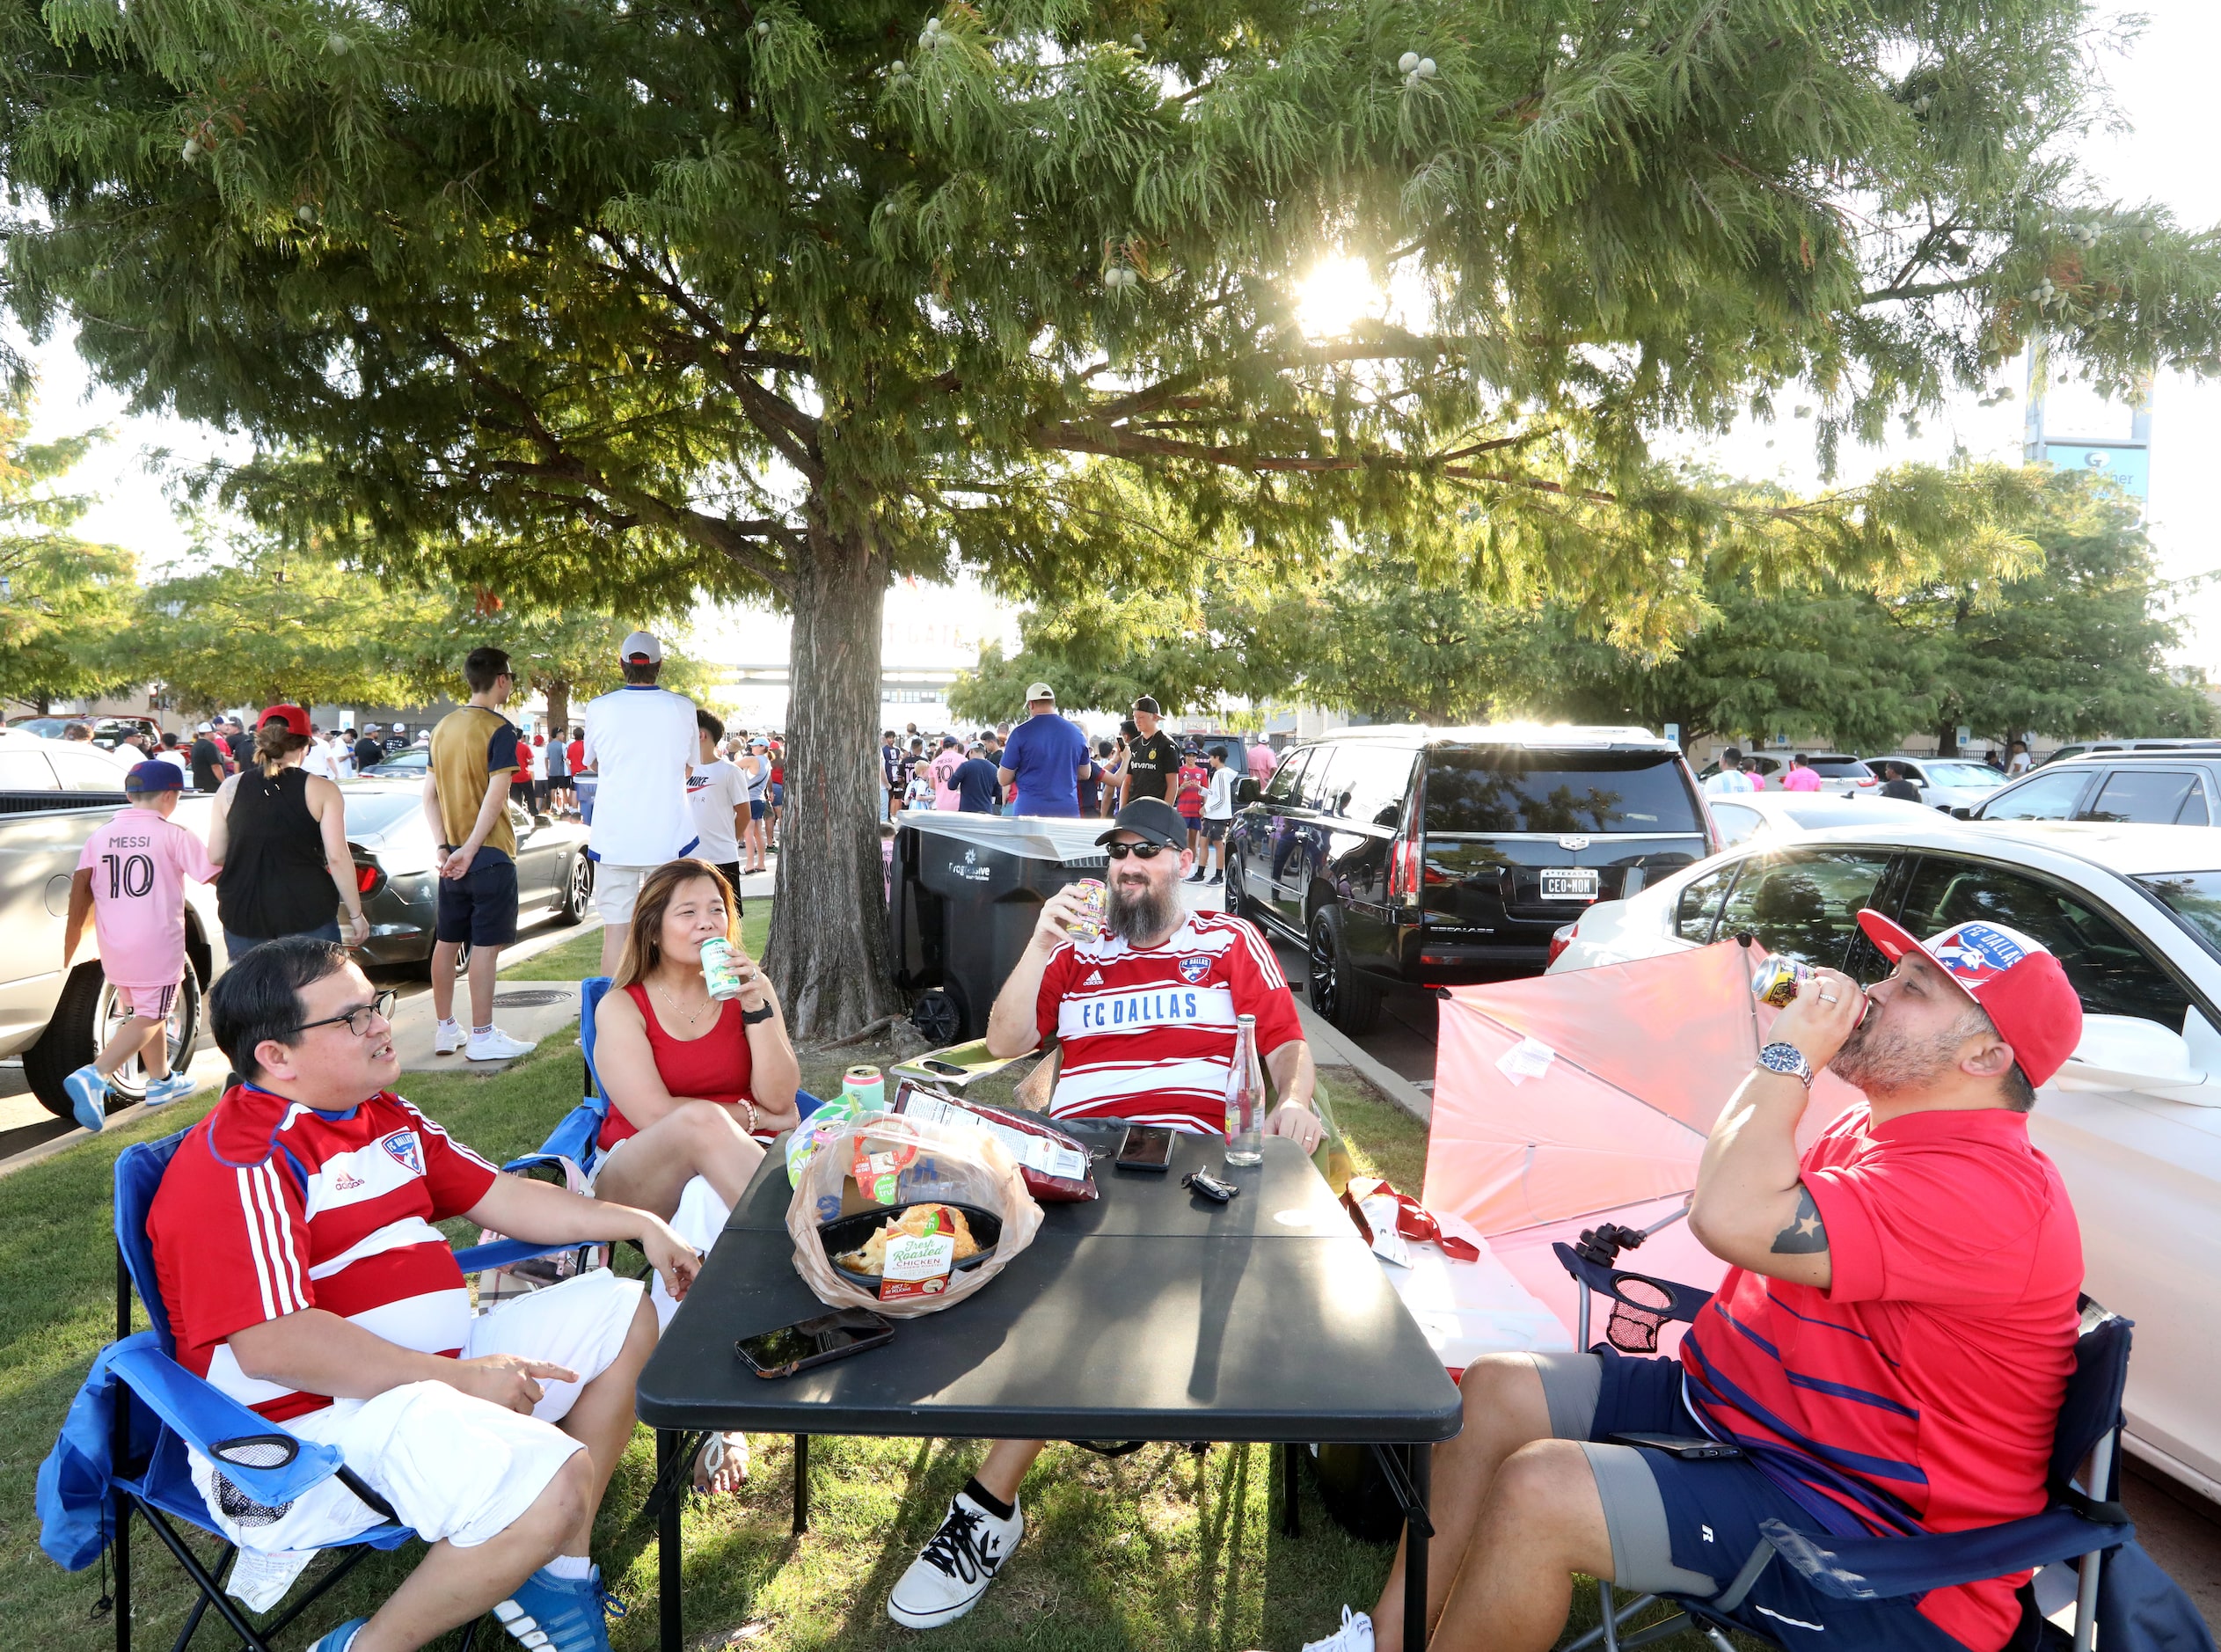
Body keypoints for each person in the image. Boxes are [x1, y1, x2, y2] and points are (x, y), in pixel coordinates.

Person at [1299, 911, 2085, 1652]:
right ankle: (1384, 1637)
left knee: (1542, 1491)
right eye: (1892, 972)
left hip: (1869, 1530)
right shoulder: (1879, 1125)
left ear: (1984, 1058)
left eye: (1913, 989)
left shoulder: (1986, 1192)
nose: (1873, 992)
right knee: (1497, 1387)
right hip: (1746, 1417)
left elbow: (1731, 1217)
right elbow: (1745, 1191)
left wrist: (1790, 1056)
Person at [150, 938, 702, 1652]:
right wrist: (461, 1379)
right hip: (307, 1430)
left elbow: (502, 1196)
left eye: (374, 1004)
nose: (382, 1023)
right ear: (275, 1058)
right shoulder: (242, 1161)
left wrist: (638, 1222)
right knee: (557, 1481)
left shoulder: (381, 1115)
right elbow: (274, 1347)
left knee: (627, 1311)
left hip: (422, 1375)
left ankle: (556, 1573)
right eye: (350, 1019)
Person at [885, 797, 1326, 1630]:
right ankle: (967, 1427)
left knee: (1075, 1286)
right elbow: (1008, 1039)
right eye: (1116, 853)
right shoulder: (1077, 954)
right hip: (1070, 1156)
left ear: (1183, 860)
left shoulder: (1229, 943)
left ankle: (986, 1509)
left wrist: (1294, 1100)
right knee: (951, 1228)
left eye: (1147, 852)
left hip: (1178, 1161)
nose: (1128, 866)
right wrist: (1042, 942)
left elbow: (1281, 1041)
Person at [590, 859, 802, 1491]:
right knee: (704, 1129)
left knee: (710, 1200)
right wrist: (742, 1113)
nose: (706, 922)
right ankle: (810, 1260)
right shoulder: (621, 1006)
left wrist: (759, 1006)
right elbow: (654, 1116)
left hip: (725, 1178)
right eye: (687, 912)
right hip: (636, 1178)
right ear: (653, 928)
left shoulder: (744, 990)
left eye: (716, 909)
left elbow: (785, 1095)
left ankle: (704, 1398)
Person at [59, 761, 221, 1129]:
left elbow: (83, 890)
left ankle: (162, 1081)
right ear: (170, 795)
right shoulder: (173, 834)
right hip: (157, 944)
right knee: (154, 1013)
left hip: (114, 945)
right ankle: (94, 1075)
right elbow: (213, 874)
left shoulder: (99, 837)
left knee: (145, 1012)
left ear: (130, 795)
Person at [422, 647, 533, 1062]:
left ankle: (445, 1028)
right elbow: (497, 795)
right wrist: (469, 849)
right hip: (488, 856)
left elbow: (428, 797)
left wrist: (444, 846)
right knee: (485, 948)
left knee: (448, 942)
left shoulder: (443, 728)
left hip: (451, 857)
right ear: (501, 680)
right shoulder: (500, 730)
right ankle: (483, 1035)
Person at [208, 705, 369, 962]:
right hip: (308, 911)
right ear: (306, 744)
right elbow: (337, 857)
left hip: (243, 913)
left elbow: (216, 855)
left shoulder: (230, 787)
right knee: (318, 995)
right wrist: (355, 914)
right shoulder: (323, 790)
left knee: (251, 998)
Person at [583, 631, 699, 977]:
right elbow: (690, 766)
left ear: (622, 665)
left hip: (614, 838)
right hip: (669, 838)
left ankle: (611, 1022)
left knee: (616, 931)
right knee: (670, 930)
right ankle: (663, 1017)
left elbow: (593, 762)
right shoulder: (682, 707)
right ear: (659, 666)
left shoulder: (599, 708)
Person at [995, 683, 1092, 819]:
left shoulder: (1020, 733)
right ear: (1053, 703)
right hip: (1067, 810)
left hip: (1029, 811)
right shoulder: (1076, 733)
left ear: (1031, 704)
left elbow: (1003, 779)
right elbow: (1085, 773)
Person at [685, 710, 750, 895]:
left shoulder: (730, 771)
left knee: (728, 916)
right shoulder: (680, 771)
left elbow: (744, 814)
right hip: (686, 859)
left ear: (701, 735)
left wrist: (728, 841)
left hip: (722, 857)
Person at [1119, 695, 1180, 807]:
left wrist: (1164, 813)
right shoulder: (1133, 745)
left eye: (1141, 717)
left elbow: (1172, 785)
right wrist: (1122, 809)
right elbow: (1127, 781)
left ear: (1155, 717)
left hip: (1155, 808)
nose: (1137, 721)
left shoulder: (1167, 745)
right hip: (1133, 808)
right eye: (1135, 717)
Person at [1189, 746, 1238, 884]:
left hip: (1218, 817)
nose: (1209, 760)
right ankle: (1200, 874)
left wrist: (1206, 808)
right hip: (1212, 816)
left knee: (1218, 845)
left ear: (1217, 758)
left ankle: (1219, 876)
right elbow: (1214, 794)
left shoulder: (1221, 774)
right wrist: (1202, 790)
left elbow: (1221, 799)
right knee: (1203, 842)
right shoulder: (1218, 774)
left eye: (1211, 757)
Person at [1173, 743, 1208, 854]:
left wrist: (1204, 808)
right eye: (1188, 755)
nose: (1191, 758)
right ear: (1184, 756)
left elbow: (1205, 793)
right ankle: (1180, 867)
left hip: (1195, 811)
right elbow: (1175, 794)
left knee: (1192, 843)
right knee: (1181, 841)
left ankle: (1191, 869)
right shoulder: (1179, 772)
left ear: (1197, 757)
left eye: (1193, 755)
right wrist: (1183, 786)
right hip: (1183, 811)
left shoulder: (1201, 773)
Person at [951, 742, 1002, 813]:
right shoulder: (994, 768)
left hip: (967, 811)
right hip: (986, 811)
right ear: (984, 753)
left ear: (971, 751)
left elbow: (951, 785)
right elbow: (998, 792)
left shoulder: (965, 766)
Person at [188, 722, 229, 792]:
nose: (215, 734)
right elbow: (215, 766)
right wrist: (224, 782)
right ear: (207, 733)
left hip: (198, 785)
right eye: (214, 732)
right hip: (213, 786)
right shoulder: (210, 746)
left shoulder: (195, 746)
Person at [929, 735, 964, 810]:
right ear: (956, 747)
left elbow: (931, 785)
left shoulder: (934, 762)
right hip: (959, 803)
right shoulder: (962, 759)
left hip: (941, 803)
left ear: (942, 748)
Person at [881, 729, 904, 822]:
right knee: (889, 797)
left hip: (897, 777)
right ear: (886, 739)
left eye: (893, 737)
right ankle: (887, 815)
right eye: (890, 738)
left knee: (898, 796)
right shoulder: (884, 750)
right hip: (889, 777)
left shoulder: (897, 750)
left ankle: (898, 815)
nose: (892, 739)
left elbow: (900, 760)